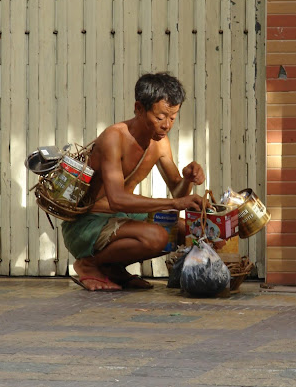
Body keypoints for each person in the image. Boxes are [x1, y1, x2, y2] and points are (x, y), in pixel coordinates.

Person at [62, 72, 206, 291]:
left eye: (173, 117)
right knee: (158, 236)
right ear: (139, 108)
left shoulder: (160, 143)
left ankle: (112, 269)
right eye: (160, 118)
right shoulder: (114, 137)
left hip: (120, 217)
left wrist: (187, 179)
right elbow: (117, 199)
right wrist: (173, 204)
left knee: (186, 229)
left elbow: (179, 193)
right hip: (88, 223)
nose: (167, 125)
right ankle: (88, 263)